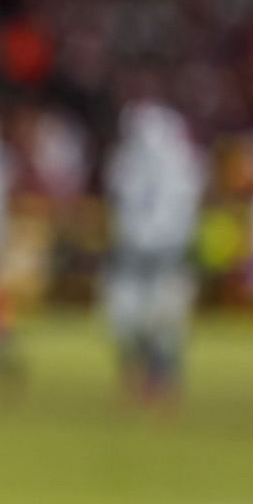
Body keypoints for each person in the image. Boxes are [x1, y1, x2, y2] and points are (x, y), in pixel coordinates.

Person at [102, 98, 207, 405]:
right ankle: (140, 378)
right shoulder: (131, 161)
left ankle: (161, 381)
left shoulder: (178, 163)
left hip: (165, 254)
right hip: (136, 253)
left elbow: (182, 213)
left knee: (161, 320)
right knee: (127, 317)